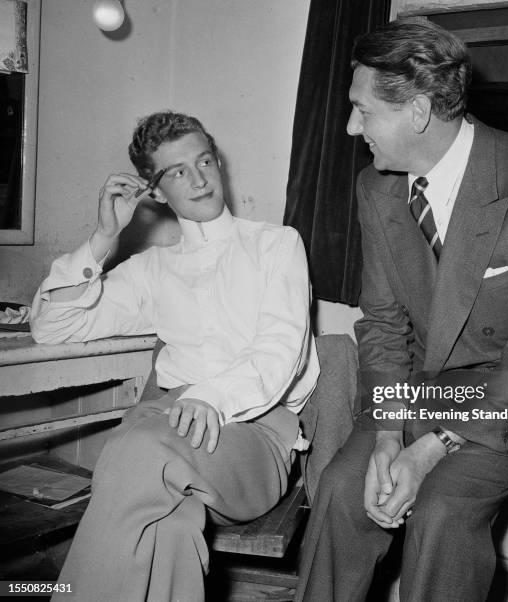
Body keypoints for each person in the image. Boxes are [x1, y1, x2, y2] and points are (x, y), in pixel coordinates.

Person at [295, 19, 508, 602]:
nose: (353, 127)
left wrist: (432, 447)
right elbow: (383, 326)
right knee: (339, 488)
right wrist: (386, 435)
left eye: (363, 110)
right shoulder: (376, 187)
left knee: (442, 511)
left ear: (419, 111)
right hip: (423, 391)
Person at [30, 110, 320, 602]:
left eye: (204, 160)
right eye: (179, 171)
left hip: (254, 437)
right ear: (156, 191)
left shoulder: (276, 245)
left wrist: (210, 397)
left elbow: (279, 350)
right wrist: (104, 239)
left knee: (135, 451)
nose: (201, 178)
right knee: (166, 530)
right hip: (165, 428)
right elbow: (54, 325)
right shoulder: (152, 269)